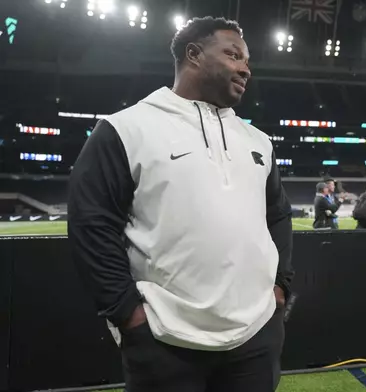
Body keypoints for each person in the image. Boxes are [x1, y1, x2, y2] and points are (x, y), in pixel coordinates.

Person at [67, 16, 294, 392]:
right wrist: (128, 314)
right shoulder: (126, 128)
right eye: (234, 54)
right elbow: (91, 224)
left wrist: (280, 289)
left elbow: (279, 215)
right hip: (163, 338)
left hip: (256, 334)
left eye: (248, 60)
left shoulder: (258, 141)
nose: (245, 68)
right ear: (194, 54)